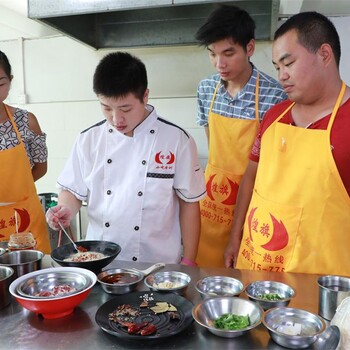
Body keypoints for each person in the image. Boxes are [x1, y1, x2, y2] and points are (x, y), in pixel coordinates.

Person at [46, 52, 206, 265]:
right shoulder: (88, 139)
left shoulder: (176, 139)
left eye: (126, 108)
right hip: (100, 262)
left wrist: (189, 261)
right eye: (106, 108)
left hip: (158, 263)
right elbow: (72, 191)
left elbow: (189, 204)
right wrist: (65, 209)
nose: (116, 119)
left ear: (145, 96)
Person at [224, 11, 350, 275]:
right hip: (257, 270)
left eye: (288, 63)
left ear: (324, 54)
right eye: (277, 67)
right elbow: (250, 177)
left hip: (320, 283)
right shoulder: (274, 117)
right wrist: (235, 236)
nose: (281, 75)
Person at [195, 5, 287, 267]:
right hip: (212, 204)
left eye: (228, 53)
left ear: (250, 48)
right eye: (212, 54)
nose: (219, 64)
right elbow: (213, 145)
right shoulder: (206, 89)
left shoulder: (275, 95)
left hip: (253, 203)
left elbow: (271, 164)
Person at [0, 50, 50, 253]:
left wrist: (18, 193)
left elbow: (41, 167)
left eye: (0, 83)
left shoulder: (26, 121)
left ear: (10, 81)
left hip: (26, 218)